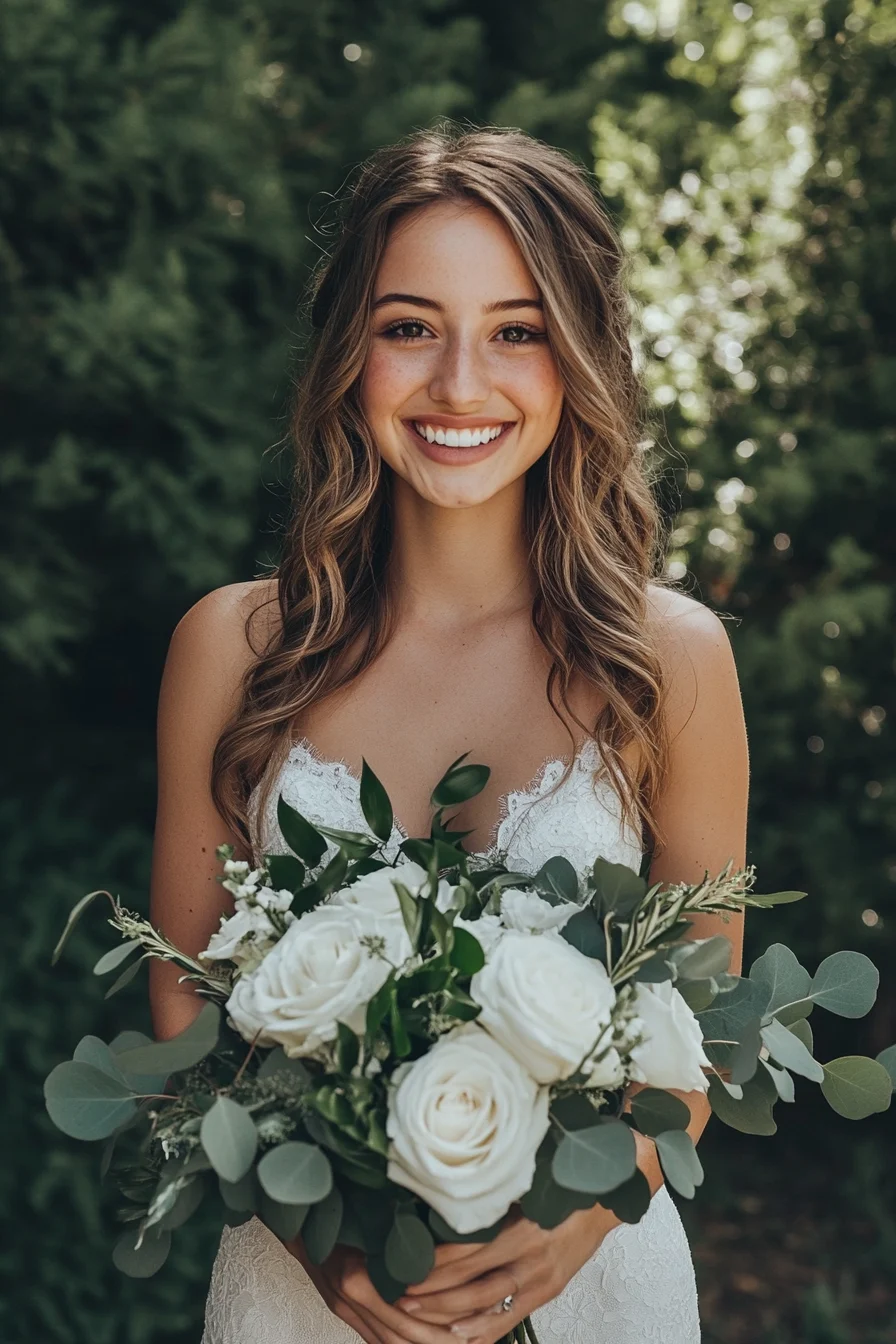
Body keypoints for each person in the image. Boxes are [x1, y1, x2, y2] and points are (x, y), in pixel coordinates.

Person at [149, 124, 749, 1344]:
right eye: (409, 325)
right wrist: (317, 1236)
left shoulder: (666, 660)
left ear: (577, 356)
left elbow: (706, 1029)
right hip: (303, 1286)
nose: (459, 385)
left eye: (515, 330)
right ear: (347, 354)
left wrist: (573, 1226)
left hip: (594, 1290)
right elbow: (181, 999)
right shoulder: (233, 648)